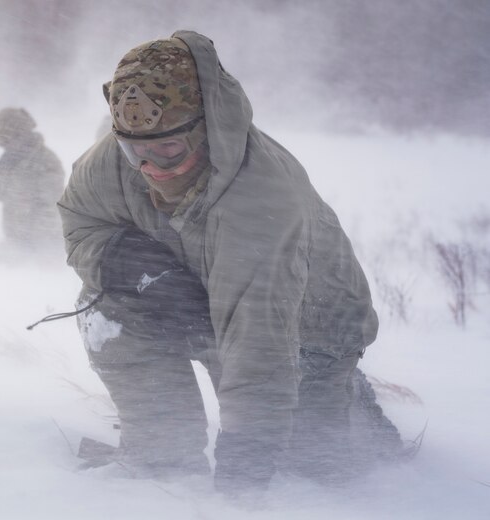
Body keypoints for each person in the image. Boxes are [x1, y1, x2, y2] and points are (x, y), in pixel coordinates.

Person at [58, 31, 406, 496]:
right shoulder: (123, 155)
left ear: (207, 128)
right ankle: (163, 458)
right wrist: (126, 261)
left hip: (305, 334)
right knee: (106, 310)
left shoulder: (262, 202)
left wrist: (243, 472)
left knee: (318, 466)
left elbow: (260, 342)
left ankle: (350, 404)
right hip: (209, 301)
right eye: (135, 150)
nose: (151, 166)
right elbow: (80, 216)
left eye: (169, 150)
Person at [0, 107, 65, 255]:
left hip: (42, 243)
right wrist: (3, 168)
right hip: (16, 238)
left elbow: (50, 202)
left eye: (6, 141)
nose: (3, 146)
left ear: (19, 136)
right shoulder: (11, 159)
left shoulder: (46, 160)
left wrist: (34, 244)